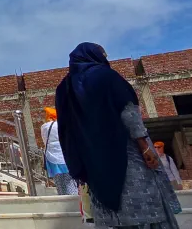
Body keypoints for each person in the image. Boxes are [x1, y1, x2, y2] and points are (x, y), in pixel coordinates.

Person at [56, 42, 180, 228]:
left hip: (93, 160)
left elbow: (66, 130)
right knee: (142, 204)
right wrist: (145, 147)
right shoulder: (106, 77)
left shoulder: (64, 88)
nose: (106, 60)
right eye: (103, 55)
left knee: (110, 206)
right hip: (124, 151)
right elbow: (128, 113)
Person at [41, 107, 77, 195]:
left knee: (59, 182)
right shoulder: (61, 125)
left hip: (51, 157)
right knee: (71, 181)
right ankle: (73, 199)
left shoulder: (44, 127)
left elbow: (44, 141)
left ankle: (63, 197)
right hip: (64, 156)